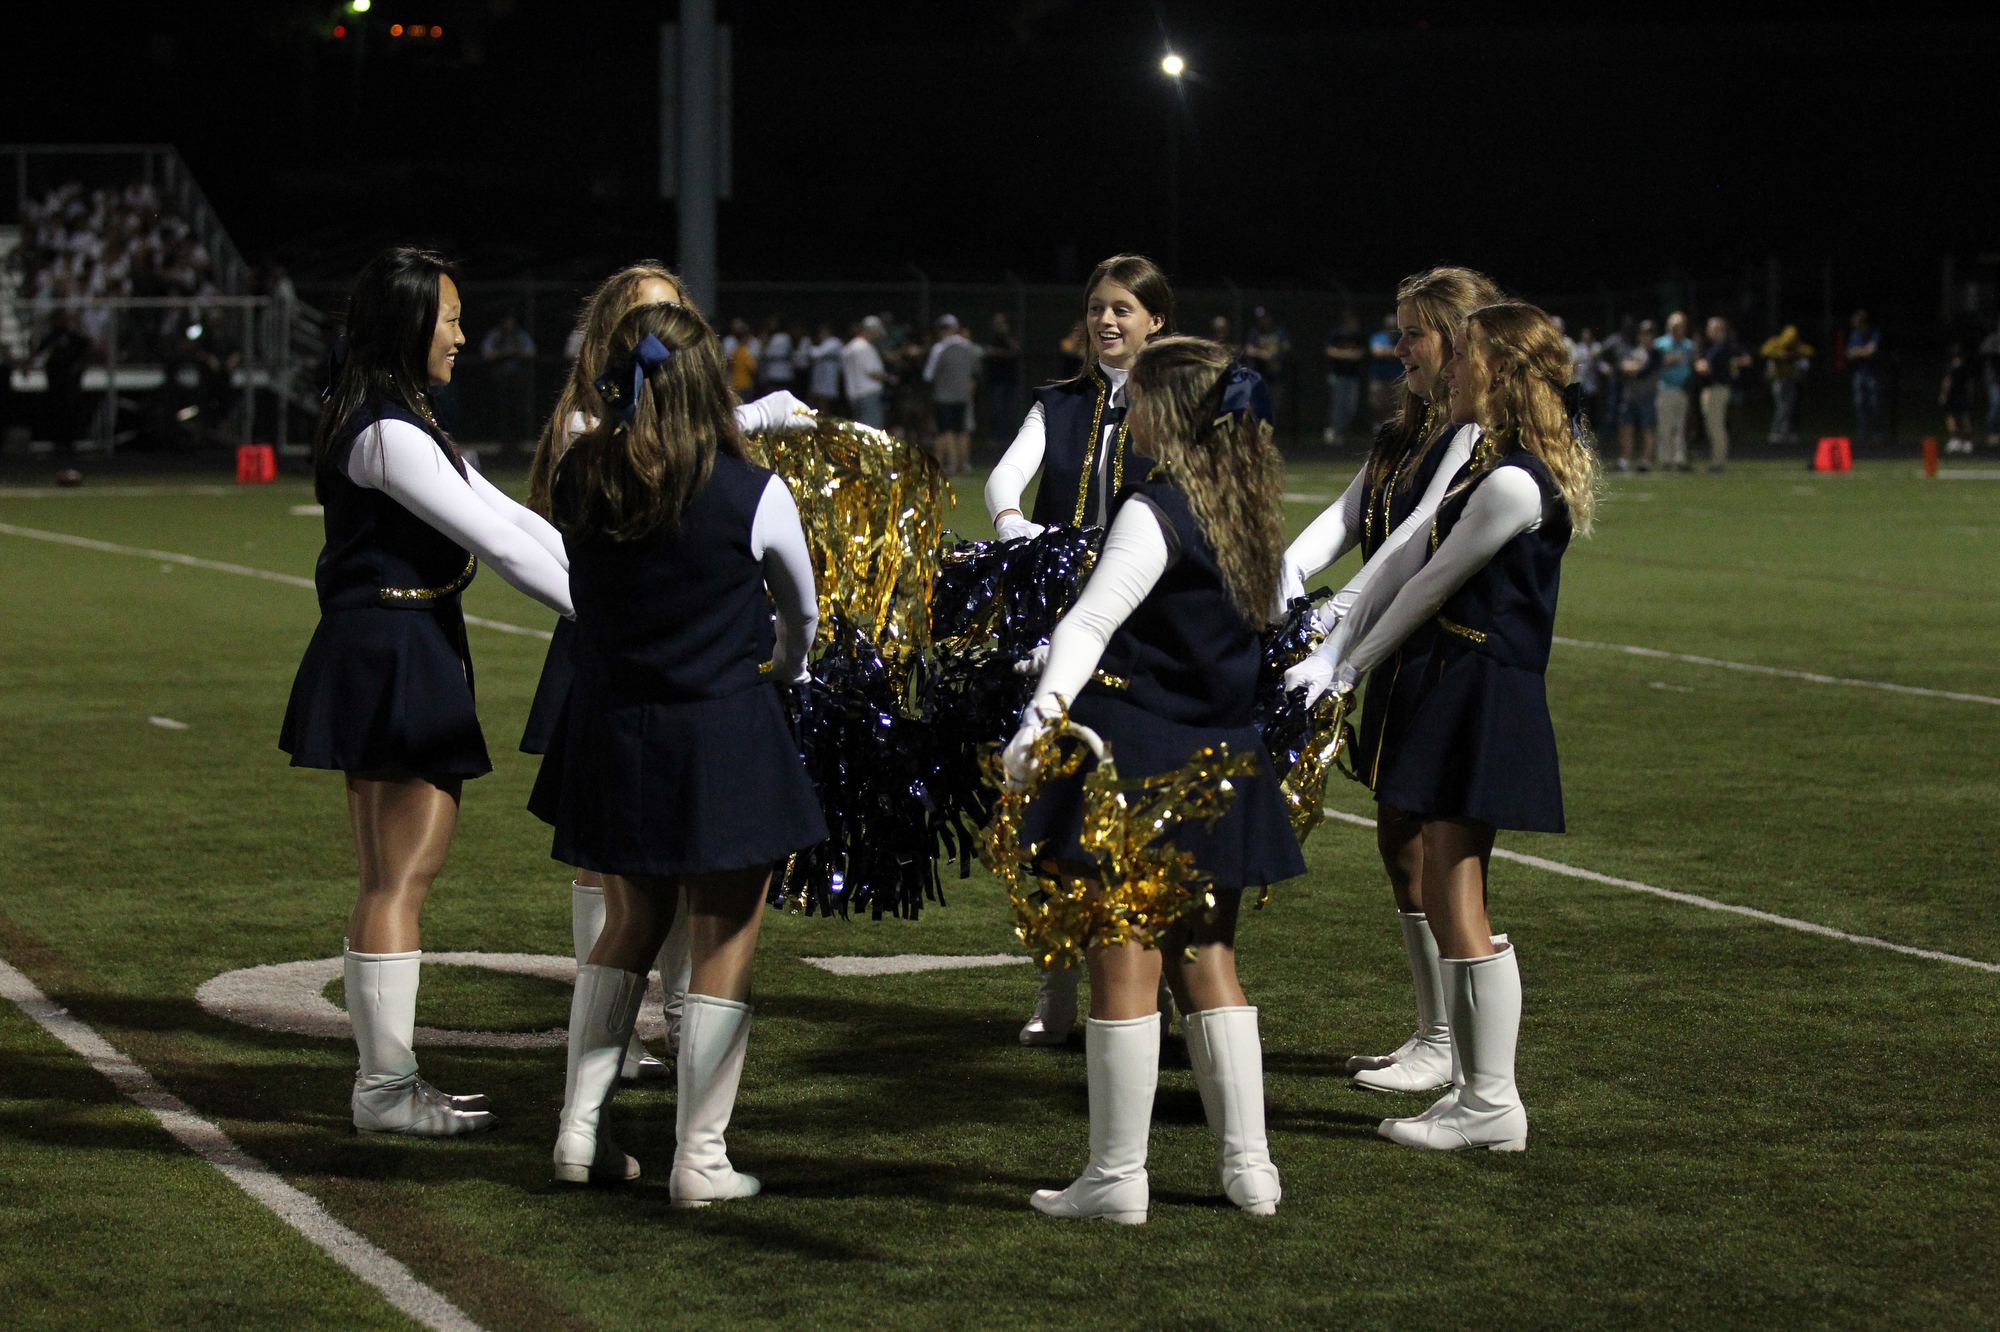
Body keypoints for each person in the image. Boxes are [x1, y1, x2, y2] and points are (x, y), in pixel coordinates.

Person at [1003, 336, 1303, 1222]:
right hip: (1223, 758)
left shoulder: (1156, 506)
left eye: (1137, 404)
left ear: (1169, 416)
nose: (1124, 415)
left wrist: (1040, 716)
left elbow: (1092, 623)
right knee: (1209, 962)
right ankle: (1252, 1173)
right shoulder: (1247, 509)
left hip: (1137, 756)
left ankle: (1117, 1177)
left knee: (1124, 971)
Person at [1289, 299, 1599, 1152]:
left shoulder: (1509, 481)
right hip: (1460, 683)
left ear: (1496, 371)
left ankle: (1491, 1100)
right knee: (1442, 885)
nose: (1448, 371)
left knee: (1456, 890)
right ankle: (1471, 1086)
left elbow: (1428, 585)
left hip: (1482, 691)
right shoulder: (1489, 467)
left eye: (1463, 357)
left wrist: (1343, 665)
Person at [279, 247, 575, 1136]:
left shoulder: (400, 417)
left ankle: (387, 1085)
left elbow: (514, 518)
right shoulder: (386, 431)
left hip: (399, 643)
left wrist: (610, 587)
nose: (460, 333)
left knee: (393, 875)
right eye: (447, 316)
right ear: (409, 325)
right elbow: (502, 541)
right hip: (396, 653)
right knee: (401, 877)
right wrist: (626, 620)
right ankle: (385, 1089)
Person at [541, 300, 825, 1198]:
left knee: (627, 925)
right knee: (725, 934)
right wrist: (783, 668)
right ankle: (699, 1159)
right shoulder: (752, 489)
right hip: (721, 735)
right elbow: (802, 617)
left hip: (614, 728)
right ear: (713, 387)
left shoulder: (579, 475)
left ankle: (578, 1134)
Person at [1280, 266, 1502, 1096]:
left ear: (1460, 341)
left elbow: (1412, 542)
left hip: (1446, 659)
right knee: (1399, 846)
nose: (1397, 346)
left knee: (1445, 859)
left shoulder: (1478, 441)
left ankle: (1465, 1059)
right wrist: (1275, 586)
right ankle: (1435, 1033)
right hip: (1395, 655)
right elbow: (1339, 527)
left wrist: (1332, 635)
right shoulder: (1399, 437)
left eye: (1414, 331)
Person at [984, 253, 1174, 1045]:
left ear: (1156, 320)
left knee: (1142, 816)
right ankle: (1056, 986)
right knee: (1052, 808)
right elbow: (1005, 481)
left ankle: (1155, 996)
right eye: (1098, 307)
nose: (1107, 321)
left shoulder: (1179, 405)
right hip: (1060, 622)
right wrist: (1014, 529)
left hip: (1148, 627)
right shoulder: (1057, 403)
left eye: (1124, 308)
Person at [923, 313, 983, 475]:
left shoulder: (940, 348)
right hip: (964, 396)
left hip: (943, 396)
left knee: (946, 431)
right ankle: (964, 465)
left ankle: (953, 465)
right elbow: (977, 370)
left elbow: (928, 375)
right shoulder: (970, 347)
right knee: (962, 431)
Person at [1694, 316, 1752, 472]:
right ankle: (1717, 459)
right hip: (1714, 389)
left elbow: (1706, 368)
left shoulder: (1723, 347)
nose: (1709, 332)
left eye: (1712, 329)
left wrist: (1698, 362)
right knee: (1713, 425)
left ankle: (1718, 461)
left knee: (1716, 425)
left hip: (1718, 389)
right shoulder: (1716, 347)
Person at [480, 312, 537, 449]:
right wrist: (504, 353)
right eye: (506, 322)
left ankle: (518, 442)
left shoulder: (520, 335)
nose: (509, 325)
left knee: (518, 409)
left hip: (518, 379)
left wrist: (516, 352)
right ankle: (502, 442)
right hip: (499, 380)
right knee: (501, 410)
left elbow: (531, 352)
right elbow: (486, 353)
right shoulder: (496, 335)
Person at [1653, 312, 1695, 472]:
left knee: (1680, 426)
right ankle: (1665, 458)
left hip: (1682, 389)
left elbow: (1692, 364)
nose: (1680, 330)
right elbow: (1654, 364)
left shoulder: (1688, 345)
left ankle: (1680, 458)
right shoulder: (1661, 344)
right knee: (1665, 426)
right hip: (1665, 388)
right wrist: (1667, 361)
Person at [1759, 325, 1813, 447]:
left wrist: (1794, 354)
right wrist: (1781, 354)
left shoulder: (1796, 346)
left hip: (1791, 380)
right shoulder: (1776, 343)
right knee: (1782, 407)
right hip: (1778, 381)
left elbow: (1809, 351)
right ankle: (1776, 432)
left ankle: (1785, 432)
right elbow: (1764, 350)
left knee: (1789, 407)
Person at [1617, 318, 1659, 472]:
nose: (1646, 337)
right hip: (1630, 396)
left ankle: (1646, 461)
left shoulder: (1656, 354)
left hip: (1647, 396)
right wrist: (1632, 368)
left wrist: (1633, 368)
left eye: (1649, 334)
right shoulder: (1632, 351)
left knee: (1647, 428)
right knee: (1626, 428)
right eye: (1644, 334)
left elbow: (1643, 371)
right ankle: (1625, 460)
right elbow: (1621, 367)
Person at [1245, 307, 1291, 432]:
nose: (1262, 321)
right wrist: (1265, 356)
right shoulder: (1255, 333)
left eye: (1264, 318)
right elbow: (1249, 350)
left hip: (1276, 376)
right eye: (1260, 319)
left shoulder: (1279, 332)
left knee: (1274, 407)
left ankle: (1268, 434)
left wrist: (1273, 357)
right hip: (1261, 376)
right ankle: (1257, 433)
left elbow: (1286, 348)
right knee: (1258, 406)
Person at [1324, 312, 1367, 446]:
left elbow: (1361, 354)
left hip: (1352, 376)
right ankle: (1334, 432)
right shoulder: (1337, 334)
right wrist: (1348, 354)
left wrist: (1345, 354)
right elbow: (1329, 351)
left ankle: (1340, 431)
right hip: (1338, 375)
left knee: (1350, 407)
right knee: (1338, 405)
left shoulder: (1358, 337)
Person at [983, 312, 1023, 444]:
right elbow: (988, 351)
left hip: (1010, 379)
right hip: (996, 379)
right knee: (996, 409)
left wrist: (1005, 336)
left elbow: (1016, 350)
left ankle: (1009, 437)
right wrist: (1006, 354)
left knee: (1010, 409)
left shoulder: (1010, 336)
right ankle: (995, 437)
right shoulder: (990, 336)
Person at [842, 316, 887, 426]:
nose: (876, 336)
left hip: (853, 395)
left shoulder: (850, 347)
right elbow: (873, 373)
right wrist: (889, 378)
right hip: (869, 394)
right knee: (873, 430)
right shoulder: (864, 347)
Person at [1847, 310, 1883, 445]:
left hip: (1872, 374)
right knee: (1859, 403)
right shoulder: (1855, 336)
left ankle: (1879, 433)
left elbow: (1872, 351)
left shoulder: (1875, 334)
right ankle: (1863, 433)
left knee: (1875, 404)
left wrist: (1858, 352)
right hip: (1859, 374)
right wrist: (1863, 351)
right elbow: (1850, 354)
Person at [1367, 312, 1403, 430]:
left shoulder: (1400, 339)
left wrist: (1386, 351)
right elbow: (1376, 352)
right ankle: (1378, 427)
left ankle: (1393, 429)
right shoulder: (1378, 337)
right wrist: (1393, 352)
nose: (1392, 328)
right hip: (1379, 377)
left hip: (1396, 377)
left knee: (1395, 405)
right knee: (1377, 404)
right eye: (1389, 326)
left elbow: (1402, 352)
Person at [1940, 341, 1977, 454]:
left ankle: (1954, 440)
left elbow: (1948, 381)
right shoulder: (1966, 366)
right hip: (1963, 394)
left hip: (1953, 394)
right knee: (1965, 417)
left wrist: (1943, 394)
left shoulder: (1951, 366)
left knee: (1951, 416)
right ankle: (1968, 442)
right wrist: (1971, 395)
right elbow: (1970, 382)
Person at [806, 322, 844, 412]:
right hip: (820, 377)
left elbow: (816, 354)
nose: (820, 335)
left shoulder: (834, 342)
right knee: (816, 400)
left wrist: (808, 346)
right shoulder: (824, 343)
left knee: (825, 401)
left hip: (828, 377)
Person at [757, 317, 796, 397]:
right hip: (781, 373)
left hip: (776, 373)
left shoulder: (778, 337)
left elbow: (767, 353)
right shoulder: (786, 337)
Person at [722, 318, 760, 397]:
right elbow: (753, 368)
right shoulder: (741, 350)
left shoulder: (737, 350)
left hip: (740, 384)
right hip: (739, 384)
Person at [1977, 321, 2000, 449]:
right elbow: (1983, 352)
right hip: (1994, 380)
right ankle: (1993, 432)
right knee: (1996, 404)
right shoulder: (1992, 340)